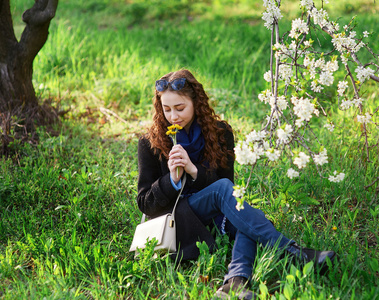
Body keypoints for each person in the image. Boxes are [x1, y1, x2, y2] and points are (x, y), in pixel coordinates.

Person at [137, 69, 337, 299]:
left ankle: (234, 282)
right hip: (176, 223)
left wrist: (193, 171)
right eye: (167, 109)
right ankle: (293, 252)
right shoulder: (150, 142)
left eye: (180, 108)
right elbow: (145, 203)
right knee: (237, 204)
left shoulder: (220, 133)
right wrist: (171, 181)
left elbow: (227, 190)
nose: (173, 117)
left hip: (212, 215)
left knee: (250, 218)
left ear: (196, 102)